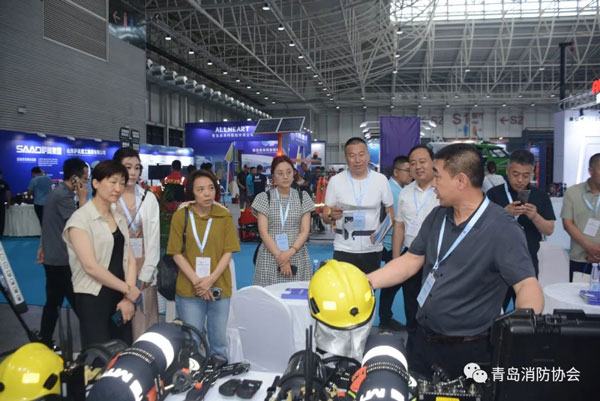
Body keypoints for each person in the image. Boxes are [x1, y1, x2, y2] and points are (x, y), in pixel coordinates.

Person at [367, 144, 544, 380]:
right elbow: (411, 260)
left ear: (460, 181)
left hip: (470, 351)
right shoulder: (437, 216)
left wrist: (520, 330)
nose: (433, 183)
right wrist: (366, 282)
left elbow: (526, 285)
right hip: (424, 341)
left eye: (438, 176)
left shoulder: (502, 228)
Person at [63, 160, 140, 348]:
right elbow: (90, 267)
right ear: (95, 183)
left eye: (122, 183)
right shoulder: (80, 220)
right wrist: (128, 289)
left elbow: (130, 259)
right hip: (94, 297)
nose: (118, 188)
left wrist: (127, 297)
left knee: (123, 351)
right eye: (112, 182)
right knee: (99, 355)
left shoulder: (118, 218)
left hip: (120, 297)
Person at [166, 170, 240, 357]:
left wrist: (210, 280)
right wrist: (198, 282)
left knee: (219, 341)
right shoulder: (181, 215)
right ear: (192, 192)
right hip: (189, 286)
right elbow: (175, 253)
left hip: (219, 285)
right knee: (192, 340)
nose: (207, 193)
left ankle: (218, 369)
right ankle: (193, 371)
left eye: (210, 188)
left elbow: (228, 251)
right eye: (200, 189)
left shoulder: (224, 215)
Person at [487, 150, 554, 308]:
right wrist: (504, 213)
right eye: (515, 174)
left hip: (527, 261)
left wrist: (535, 216)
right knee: (494, 309)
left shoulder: (541, 196)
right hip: (497, 262)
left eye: (526, 175)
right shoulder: (493, 194)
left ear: (532, 173)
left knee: (527, 310)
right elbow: (483, 228)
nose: (520, 180)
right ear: (508, 170)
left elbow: (549, 229)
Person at [37, 158, 88, 348]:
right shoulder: (63, 197)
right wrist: (83, 199)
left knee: (54, 301)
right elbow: (80, 224)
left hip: (55, 257)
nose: (86, 183)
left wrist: (42, 246)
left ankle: (44, 340)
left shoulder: (58, 193)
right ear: (75, 178)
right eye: (85, 178)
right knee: (79, 303)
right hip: (62, 260)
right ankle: (96, 340)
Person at [322, 137, 394, 275]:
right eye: (352, 155)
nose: (357, 160)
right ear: (346, 158)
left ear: (368, 155)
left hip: (372, 248)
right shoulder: (335, 181)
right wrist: (331, 216)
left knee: (370, 286)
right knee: (345, 287)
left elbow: (391, 214)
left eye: (361, 154)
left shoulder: (381, 180)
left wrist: (380, 234)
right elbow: (325, 216)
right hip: (344, 247)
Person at [112, 148, 160, 340]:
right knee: (118, 324)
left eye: (137, 168)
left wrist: (147, 273)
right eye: (128, 167)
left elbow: (154, 240)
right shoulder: (109, 198)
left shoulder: (148, 198)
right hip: (115, 270)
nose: (132, 172)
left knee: (143, 323)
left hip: (143, 269)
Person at [252, 155, 315, 286]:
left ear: (294, 174)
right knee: (269, 296)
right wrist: (280, 257)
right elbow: (263, 233)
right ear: (274, 177)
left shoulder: (303, 197)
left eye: (288, 172)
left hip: (296, 254)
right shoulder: (264, 198)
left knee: (297, 294)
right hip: (270, 256)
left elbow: (305, 230)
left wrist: (289, 253)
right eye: (280, 173)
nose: (285, 177)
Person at [379, 155, 412, 331]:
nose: (411, 174)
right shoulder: (392, 190)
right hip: (390, 244)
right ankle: (385, 318)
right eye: (407, 170)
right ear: (396, 172)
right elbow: (397, 222)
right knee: (391, 283)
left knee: (394, 283)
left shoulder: (402, 189)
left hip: (396, 243)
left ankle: (386, 317)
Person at [561, 153, 600, 281]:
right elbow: (568, 223)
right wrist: (590, 247)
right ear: (591, 170)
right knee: (577, 293)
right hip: (580, 258)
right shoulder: (573, 192)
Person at [0, 170, 10, 240]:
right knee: (1, 219)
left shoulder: (4, 183)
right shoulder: (4, 183)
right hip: (1, 203)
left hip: (1, 203)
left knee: (1, 219)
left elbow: (8, 193)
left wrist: (8, 202)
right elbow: (8, 193)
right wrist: (8, 202)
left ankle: (0, 234)